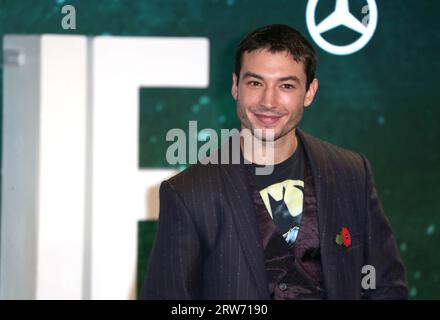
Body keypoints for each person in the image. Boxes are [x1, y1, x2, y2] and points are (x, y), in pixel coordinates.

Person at [141, 24, 408, 299]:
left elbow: (385, 285)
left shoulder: (351, 173)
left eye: (286, 86)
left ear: (309, 92)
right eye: (255, 83)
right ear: (235, 86)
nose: (268, 101)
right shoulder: (188, 193)